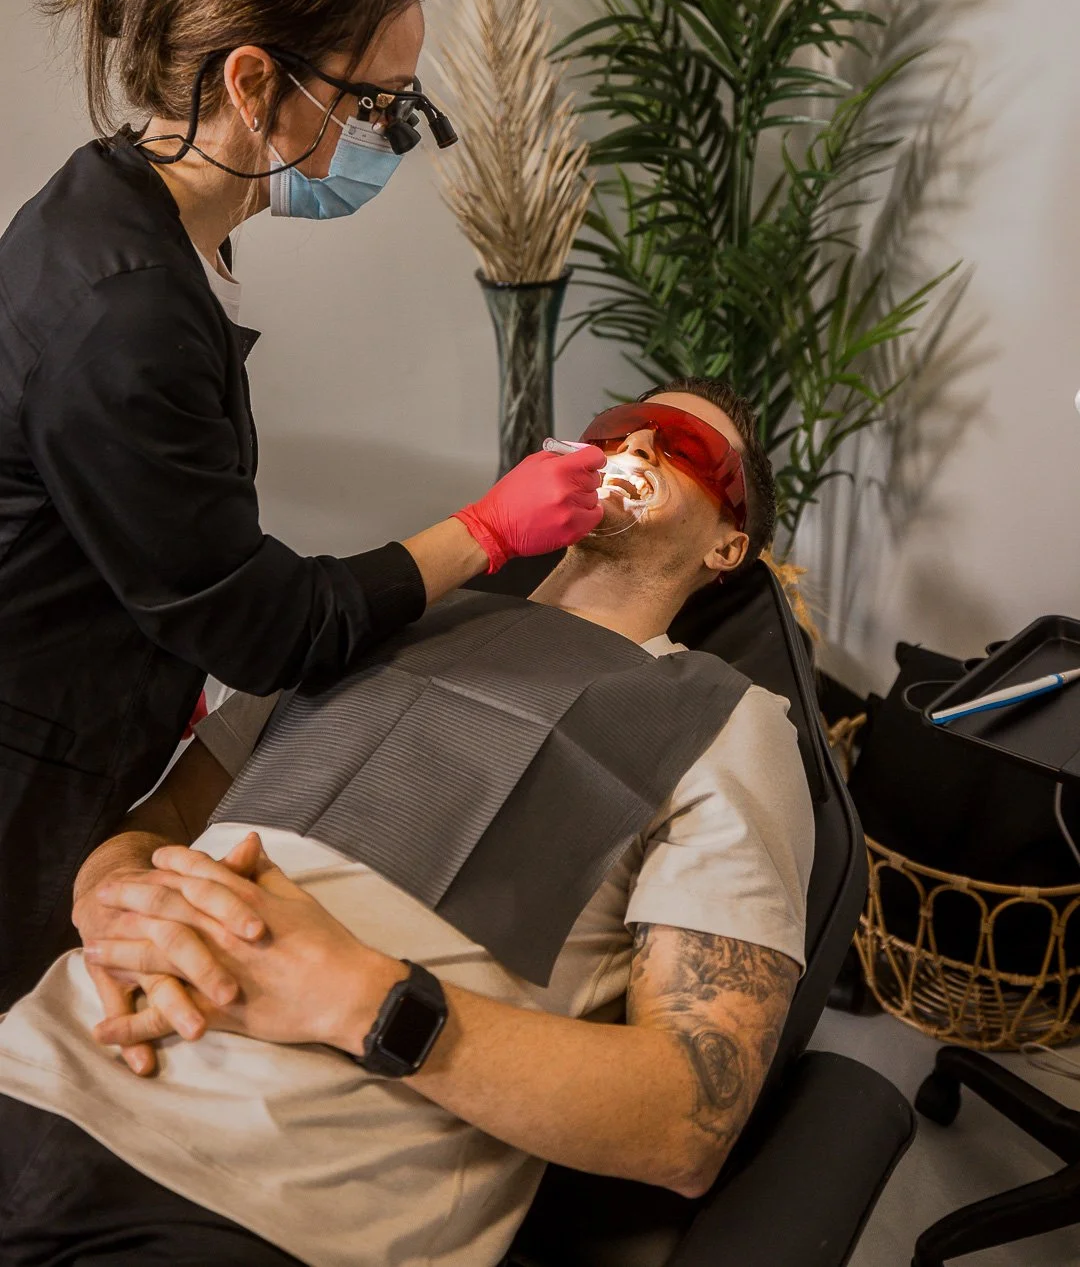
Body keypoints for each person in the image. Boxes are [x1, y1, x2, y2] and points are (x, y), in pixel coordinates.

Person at [0, 0, 604, 1003]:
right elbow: (265, 627)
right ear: (252, 79)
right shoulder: (122, 307)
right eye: (376, 102)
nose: (392, 131)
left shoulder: (132, 211)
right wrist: (491, 528)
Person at [0, 378, 815, 1267]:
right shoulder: (385, 613)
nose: (642, 448)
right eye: (625, 428)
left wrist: (363, 996)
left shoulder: (727, 719)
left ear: (731, 544)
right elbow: (171, 814)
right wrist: (103, 886)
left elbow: (691, 1117)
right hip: (34, 1065)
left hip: (255, 1200)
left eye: (687, 450)